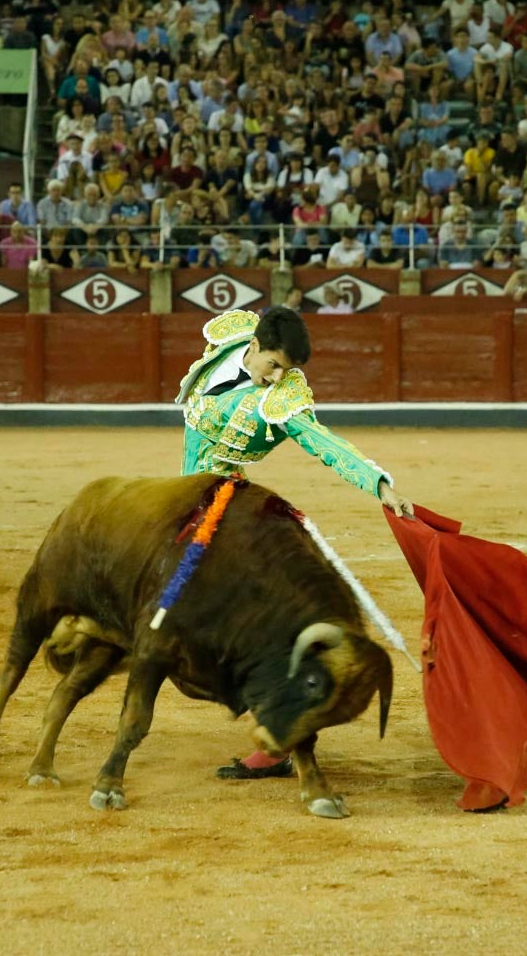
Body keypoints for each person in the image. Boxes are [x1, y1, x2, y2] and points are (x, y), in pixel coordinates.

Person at [174, 307, 414, 779]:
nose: (278, 377)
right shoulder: (230, 340)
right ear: (255, 345)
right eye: (273, 365)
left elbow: (328, 445)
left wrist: (380, 485)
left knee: (243, 624)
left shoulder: (283, 400)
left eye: (289, 370)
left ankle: (282, 734)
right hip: (184, 502)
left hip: (227, 507)